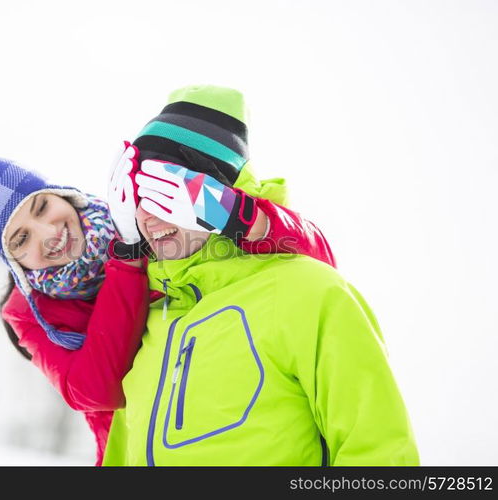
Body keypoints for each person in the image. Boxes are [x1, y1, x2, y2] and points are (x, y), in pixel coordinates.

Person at [0, 88, 335, 466]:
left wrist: (242, 217)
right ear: (12, 261)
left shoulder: (144, 218)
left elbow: (312, 262)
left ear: (62, 195)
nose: (49, 233)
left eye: (42, 207)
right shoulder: (30, 314)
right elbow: (97, 390)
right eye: (21, 238)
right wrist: (127, 257)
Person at [101, 85, 420, 466]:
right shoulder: (153, 315)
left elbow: (378, 452)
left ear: (213, 194)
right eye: (136, 198)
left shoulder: (310, 292)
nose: (146, 216)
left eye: (160, 195)